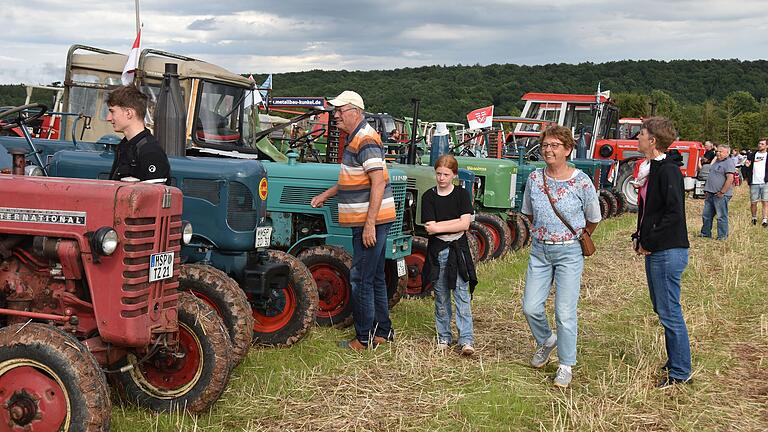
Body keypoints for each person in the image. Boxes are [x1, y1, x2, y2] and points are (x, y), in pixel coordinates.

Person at [310, 90, 397, 350]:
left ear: (355, 112)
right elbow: (354, 178)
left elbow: (378, 181)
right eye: (335, 111)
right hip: (372, 219)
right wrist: (327, 194)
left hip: (370, 221)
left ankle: (364, 338)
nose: (335, 115)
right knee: (376, 276)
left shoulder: (366, 139)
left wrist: (369, 223)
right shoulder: (358, 138)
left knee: (360, 278)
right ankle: (383, 331)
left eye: (339, 111)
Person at [520, 125, 601, 388]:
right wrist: (543, 233)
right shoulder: (534, 178)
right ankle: (546, 340)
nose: (548, 149)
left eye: (555, 145)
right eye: (545, 145)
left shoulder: (581, 181)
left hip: (569, 252)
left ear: (568, 149)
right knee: (530, 306)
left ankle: (566, 364)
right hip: (540, 251)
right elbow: (529, 213)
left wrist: (576, 237)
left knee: (565, 312)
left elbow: (593, 219)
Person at [631, 117, 692, 387]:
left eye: (642, 133)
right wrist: (640, 235)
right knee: (663, 308)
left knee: (669, 312)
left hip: (667, 250)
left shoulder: (667, 171)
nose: (638, 138)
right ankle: (675, 362)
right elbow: (650, 211)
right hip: (659, 249)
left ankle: (680, 372)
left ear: (653, 140)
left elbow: (673, 214)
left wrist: (649, 239)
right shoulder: (653, 169)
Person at [421, 154, 477, 356]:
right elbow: (429, 228)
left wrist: (439, 227)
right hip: (438, 250)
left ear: (454, 175)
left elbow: (465, 224)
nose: (441, 178)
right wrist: (441, 227)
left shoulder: (461, 195)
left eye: (445, 174)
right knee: (441, 294)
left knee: (462, 294)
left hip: (458, 249)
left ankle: (466, 339)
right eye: (438, 174)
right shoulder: (428, 196)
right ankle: (443, 336)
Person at [107, 85, 170, 184]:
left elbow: (155, 196)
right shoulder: (124, 146)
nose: (108, 118)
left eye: (112, 112)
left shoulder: (150, 151)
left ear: (129, 113)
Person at [700, 143, 736, 240]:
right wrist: (707, 189)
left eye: (720, 151)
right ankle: (705, 233)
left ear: (727, 153)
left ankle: (722, 236)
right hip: (710, 193)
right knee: (706, 215)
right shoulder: (716, 161)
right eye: (717, 151)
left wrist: (722, 192)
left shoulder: (728, 163)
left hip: (720, 195)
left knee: (721, 216)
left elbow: (730, 179)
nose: (718, 153)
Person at [744, 138, 768, 226]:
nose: (760, 145)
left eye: (762, 144)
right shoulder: (752, 155)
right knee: (753, 202)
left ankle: (765, 219)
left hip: (765, 182)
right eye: (759, 144)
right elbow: (745, 166)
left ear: (766, 146)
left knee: (765, 201)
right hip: (754, 182)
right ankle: (754, 217)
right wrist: (747, 177)